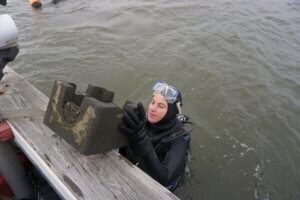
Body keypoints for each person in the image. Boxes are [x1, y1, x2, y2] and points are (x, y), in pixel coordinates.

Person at [119, 81, 192, 192]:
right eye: (152, 102)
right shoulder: (143, 123)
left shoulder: (178, 141)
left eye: (160, 106)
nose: (152, 109)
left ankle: (180, 120)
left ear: (171, 112)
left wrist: (142, 139)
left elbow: (164, 179)